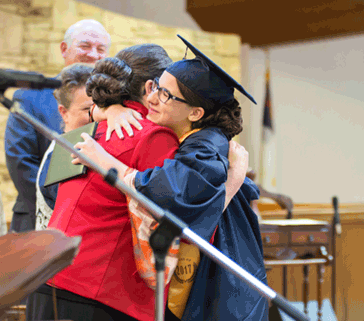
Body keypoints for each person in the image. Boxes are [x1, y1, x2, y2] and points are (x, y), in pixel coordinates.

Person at [26, 44, 249, 321]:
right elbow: (179, 222)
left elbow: (53, 190)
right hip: (99, 292)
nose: (158, 97)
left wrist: (101, 111)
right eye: (161, 89)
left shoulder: (87, 128)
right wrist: (232, 183)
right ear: (148, 88)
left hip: (49, 277)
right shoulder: (153, 137)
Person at [5, 19, 111, 232]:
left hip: (93, 223)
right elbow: (21, 162)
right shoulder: (30, 98)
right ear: (64, 49)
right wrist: (62, 209)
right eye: (85, 46)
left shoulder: (114, 102)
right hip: (39, 217)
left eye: (101, 49)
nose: (93, 54)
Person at [35, 63, 94, 230]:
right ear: (64, 113)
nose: (98, 114)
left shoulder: (75, 144)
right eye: (88, 109)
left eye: (102, 106)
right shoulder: (64, 155)